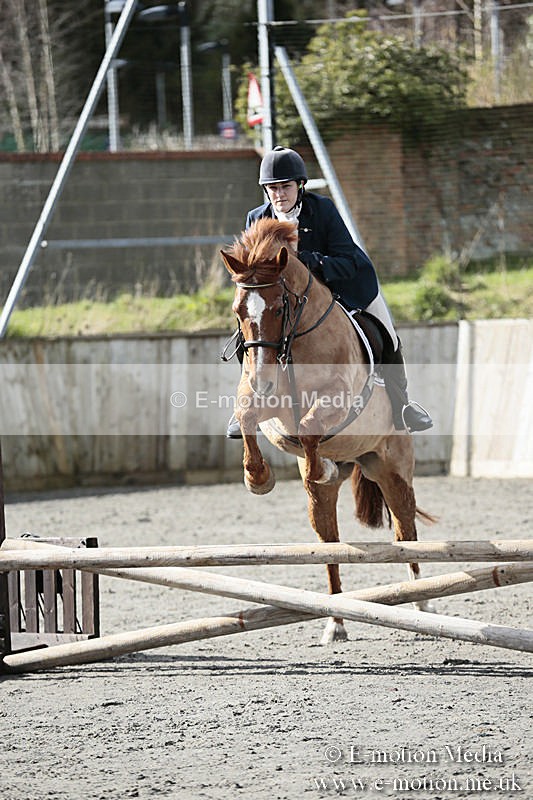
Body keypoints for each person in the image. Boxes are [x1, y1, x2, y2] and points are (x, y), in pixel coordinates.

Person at [226, 145, 432, 438]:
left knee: (388, 335)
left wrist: (311, 261)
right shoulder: (256, 218)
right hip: (287, 300)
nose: (279, 194)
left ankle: (403, 406)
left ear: (300, 185)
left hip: (345, 287)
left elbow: (348, 259)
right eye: (273, 188)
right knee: (247, 336)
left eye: (285, 186)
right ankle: (248, 405)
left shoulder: (322, 210)